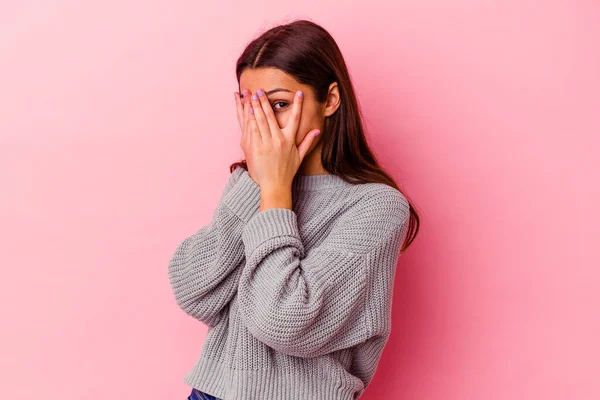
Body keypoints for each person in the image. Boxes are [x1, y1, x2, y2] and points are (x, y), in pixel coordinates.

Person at [169, 19, 420, 400]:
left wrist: (274, 190)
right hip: (209, 393)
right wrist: (258, 182)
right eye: (252, 108)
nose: (265, 123)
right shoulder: (248, 183)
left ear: (331, 100)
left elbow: (284, 321)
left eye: (280, 104)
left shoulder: (377, 207)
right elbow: (193, 291)